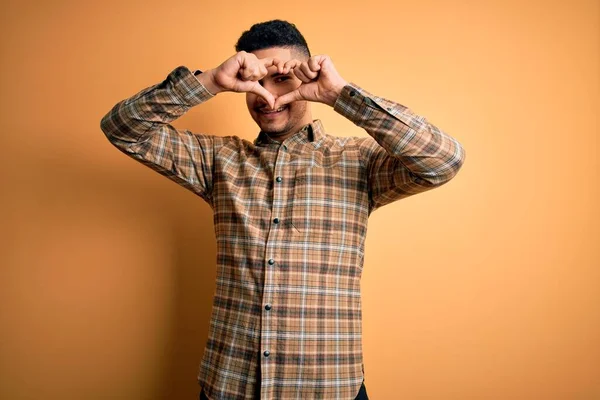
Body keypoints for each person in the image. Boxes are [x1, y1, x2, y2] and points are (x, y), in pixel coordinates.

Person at [100, 19, 465, 400]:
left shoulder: (359, 161)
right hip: (230, 386)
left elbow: (444, 160)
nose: (265, 96)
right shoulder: (218, 160)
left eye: (280, 80)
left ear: (307, 80)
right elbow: (121, 128)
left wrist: (340, 93)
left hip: (327, 388)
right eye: (255, 82)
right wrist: (210, 81)